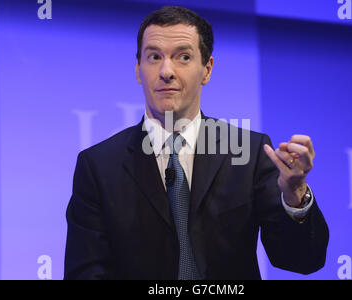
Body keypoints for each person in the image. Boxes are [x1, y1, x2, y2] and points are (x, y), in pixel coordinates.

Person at [64, 6, 329, 280]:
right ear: (138, 70)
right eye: (154, 57)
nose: (166, 71)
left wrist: (295, 194)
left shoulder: (248, 153)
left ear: (207, 69)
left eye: (183, 57)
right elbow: (85, 273)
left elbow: (302, 260)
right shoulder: (98, 166)